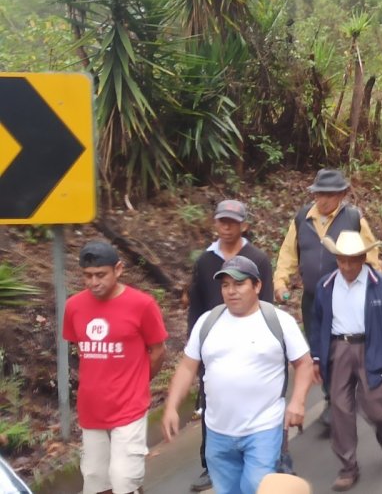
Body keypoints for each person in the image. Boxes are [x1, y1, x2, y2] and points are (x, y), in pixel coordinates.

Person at [163, 257, 314, 494]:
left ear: (257, 286)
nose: (231, 291)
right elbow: (186, 367)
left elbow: (304, 364)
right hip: (218, 432)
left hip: (263, 428)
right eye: (225, 285)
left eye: (239, 284)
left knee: (257, 486)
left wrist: (298, 401)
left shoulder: (278, 321)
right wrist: (172, 407)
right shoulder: (208, 322)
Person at [64, 241, 167, 494]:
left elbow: (158, 350)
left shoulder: (141, 305)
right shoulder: (74, 306)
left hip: (129, 405)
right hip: (92, 408)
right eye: (88, 276)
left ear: (118, 270)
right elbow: (81, 349)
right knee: (95, 478)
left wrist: (138, 380)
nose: (93, 282)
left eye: (101, 275)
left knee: (125, 479)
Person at [309, 232, 382, 491]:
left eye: (352, 260)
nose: (346, 266)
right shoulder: (326, 285)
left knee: (375, 408)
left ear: (363, 258)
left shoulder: (381, 284)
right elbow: (317, 321)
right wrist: (318, 357)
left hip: (373, 347)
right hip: (338, 348)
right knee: (340, 409)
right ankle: (348, 467)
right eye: (342, 260)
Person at [186, 201, 273, 490]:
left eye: (232, 222)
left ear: (244, 225)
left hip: (250, 339)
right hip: (214, 341)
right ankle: (209, 465)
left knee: (256, 399)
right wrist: (195, 346)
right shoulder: (205, 261)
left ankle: (265, 455)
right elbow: (196, 306)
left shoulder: (257, 259)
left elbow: (268, 303)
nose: (226, 227)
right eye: (222, 221)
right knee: (211, 401)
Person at [275, 167, 379, 338]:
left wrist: (376, 290)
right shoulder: (302, 218)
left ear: (341, 195)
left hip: (347, 297)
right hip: (312, 298)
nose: (323, 200)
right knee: (315, 349)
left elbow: (371, 257)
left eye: (329, 195)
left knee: (341, 346)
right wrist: (280, 283)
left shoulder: (353, 219)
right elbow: (288, 254)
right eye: (319, 194)